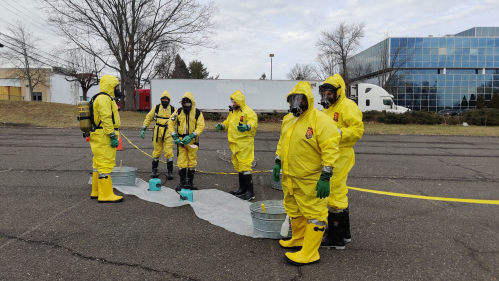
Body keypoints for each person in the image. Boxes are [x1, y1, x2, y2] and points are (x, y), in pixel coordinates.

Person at [273, 81, 340, 265]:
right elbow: (282, 142)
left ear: (308, 100)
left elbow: (331, 149)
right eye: (293, 99)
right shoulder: (288, 119)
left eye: (301, 99)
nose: (297, 103)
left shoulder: (321, 121)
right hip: (290, 176)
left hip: (311, 177)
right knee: (293, 208)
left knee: (315, 214)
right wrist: (278, 161)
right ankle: (299, 238)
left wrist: (326, 176)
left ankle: (311, 253)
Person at [318, 74, 364, 249]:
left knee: (334, 192)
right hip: (332, 154)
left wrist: (339, 133)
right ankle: (344, 233)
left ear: (338, 92)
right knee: (338, 190)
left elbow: (358, 130)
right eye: (324, 92)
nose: (326, 96)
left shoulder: (347, 106)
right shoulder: (328, 109)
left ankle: (336, 238)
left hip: (341, 155)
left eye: (329, 93)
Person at [215, 90, 258, 200]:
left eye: (235, 102)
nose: (233, 104)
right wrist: (222, 126)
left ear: (239, 101)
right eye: (232, 102)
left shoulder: (249, 112)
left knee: (245, 166)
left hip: (244, 144)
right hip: (235, 144)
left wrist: (247, 127)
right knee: (239, 167)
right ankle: (242, 189)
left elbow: (253, 123)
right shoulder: (233, 113)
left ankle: (250, 192)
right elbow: (227, 123)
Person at [89, 74, 123, 203]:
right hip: (104, 135)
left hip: (99, 134)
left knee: (98, 162)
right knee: (105, 163)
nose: (117, 89)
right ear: (110, 86)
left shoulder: (99, 98)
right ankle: (106, 194)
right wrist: (112, 135)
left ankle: (96, 191)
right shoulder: (104, 98)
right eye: (116, 86)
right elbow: (106, 118)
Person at [168, 92, 205, 191]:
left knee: (192, 162)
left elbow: (200, 126)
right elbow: (170, 123)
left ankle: (190, 183)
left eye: (187, 104)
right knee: (182, 162)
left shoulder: (197, 113)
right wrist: (174, 135)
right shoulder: (178, 112)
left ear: (192, 103)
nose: (185, 106)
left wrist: (193, 135)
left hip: (192, 141)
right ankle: (183, 182)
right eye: (184, 104)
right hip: (180, 141)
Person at [141, 91, 176, 180]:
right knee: (157, 151)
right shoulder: (156, 108)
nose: (165, 101)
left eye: (166, 99)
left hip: (168, 131)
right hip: (157, 132)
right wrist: (144, 128)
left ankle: (170, 172)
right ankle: (154, 170)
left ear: (169, 100)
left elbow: (179, 120)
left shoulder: (173, 110)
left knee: (169, 152)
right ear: (161, 100)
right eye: (163, 99)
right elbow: (149, 117)